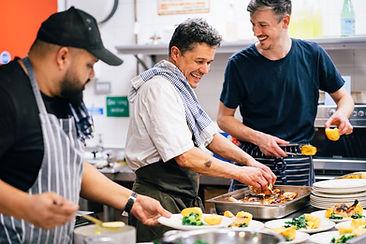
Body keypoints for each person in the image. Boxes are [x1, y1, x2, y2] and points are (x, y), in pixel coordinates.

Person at [0, 7, 170, 244]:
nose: (91, 74)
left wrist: (133, 201)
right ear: (63, 57)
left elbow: (72, 167)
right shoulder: (6, 93)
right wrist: (26, 206)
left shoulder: (63, 98)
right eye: (89, 64)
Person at [125, 18, 276, 242]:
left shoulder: (179, 87)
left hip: (180, 197)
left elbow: (210, 137)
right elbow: (185, 156)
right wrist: (241, 173)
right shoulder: (159, 88)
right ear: (175, 53)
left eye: (209, 62)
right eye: (199, 61)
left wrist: (249, 162)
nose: (205, 69)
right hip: (157, 201)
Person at [217, 0, 354, 192]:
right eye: (253, 24)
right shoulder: (239, 64)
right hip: (254, 162)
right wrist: (260, 139)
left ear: (285, 21)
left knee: (300, 222)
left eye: (263, 25)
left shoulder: (313, 55)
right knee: (244, 221)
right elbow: (224, 119)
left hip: (299, 162)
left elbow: (344, 98)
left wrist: (342, 114)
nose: (256, 32)